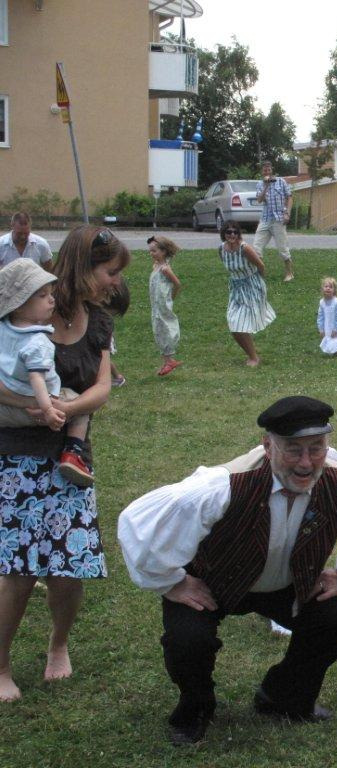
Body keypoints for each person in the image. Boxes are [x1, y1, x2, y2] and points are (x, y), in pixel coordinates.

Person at [117, 396, 337, 745]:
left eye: (316, 448)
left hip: (289, 584)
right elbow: (141, 523)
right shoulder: (224, 484)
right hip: (214, 581)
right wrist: (172, 581)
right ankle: (195, 707)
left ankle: (283, 697)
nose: (306, 463)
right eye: (293, 450)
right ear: (268, 445)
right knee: (188, 640)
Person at [0, 225, 128, 702]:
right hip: (15, 452)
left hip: (70, 458)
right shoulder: (17, 312)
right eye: (110, 272)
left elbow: (100, 388)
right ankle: (2, 665)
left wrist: (66, 410)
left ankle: (58, 645)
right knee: (16, 570)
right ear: (84, 266)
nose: (115, 282)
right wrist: (34, 405)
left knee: (67, 565)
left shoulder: (98, 321)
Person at [0, 259, 92, 484]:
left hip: (5, 406)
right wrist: (48, 409)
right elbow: (37, 379)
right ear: (20, 304)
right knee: (79, 404)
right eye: (42, 296)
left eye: (50, 293)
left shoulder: (4, 328)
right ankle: (72, 452)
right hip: (37, 406)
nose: (52, 299)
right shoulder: (37, 341)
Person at [218, 220, 276, 367]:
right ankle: (252, 355)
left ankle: (254, 357)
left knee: (240, 323)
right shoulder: (221, 249)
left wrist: (259, 285)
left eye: (235, 232)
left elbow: (260, 266)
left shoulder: (245, 249)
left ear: (239, 234)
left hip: (252, 287)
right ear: (223, 234)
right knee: (233, 324)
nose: (232, 235)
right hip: (235, 289)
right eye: (228, 232)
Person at [147, 236, 183, 377]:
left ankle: (169, 360)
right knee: (158, 329)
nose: (151, 254)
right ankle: (168, 361)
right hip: (156, 305)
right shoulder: (156, 266)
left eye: (154, 251)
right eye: (150, 251)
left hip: (162, 305)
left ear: (163, 251)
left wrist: (170, 299)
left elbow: (177, 284)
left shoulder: (165, 269)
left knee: (164, 328)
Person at [254, 160, 294, 283]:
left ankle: (289, 273)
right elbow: (259, 200)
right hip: (265, 219)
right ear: (262, 172)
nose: (267, 171)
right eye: (264, 170)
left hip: (279, 219)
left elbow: (289, 197)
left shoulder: (281, 182)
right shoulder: (260, 184)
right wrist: (266, 186)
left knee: (283, 249)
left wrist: (287, 213)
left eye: (269, 169)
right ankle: (259, 274)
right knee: (256, 247)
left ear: (272, 170)